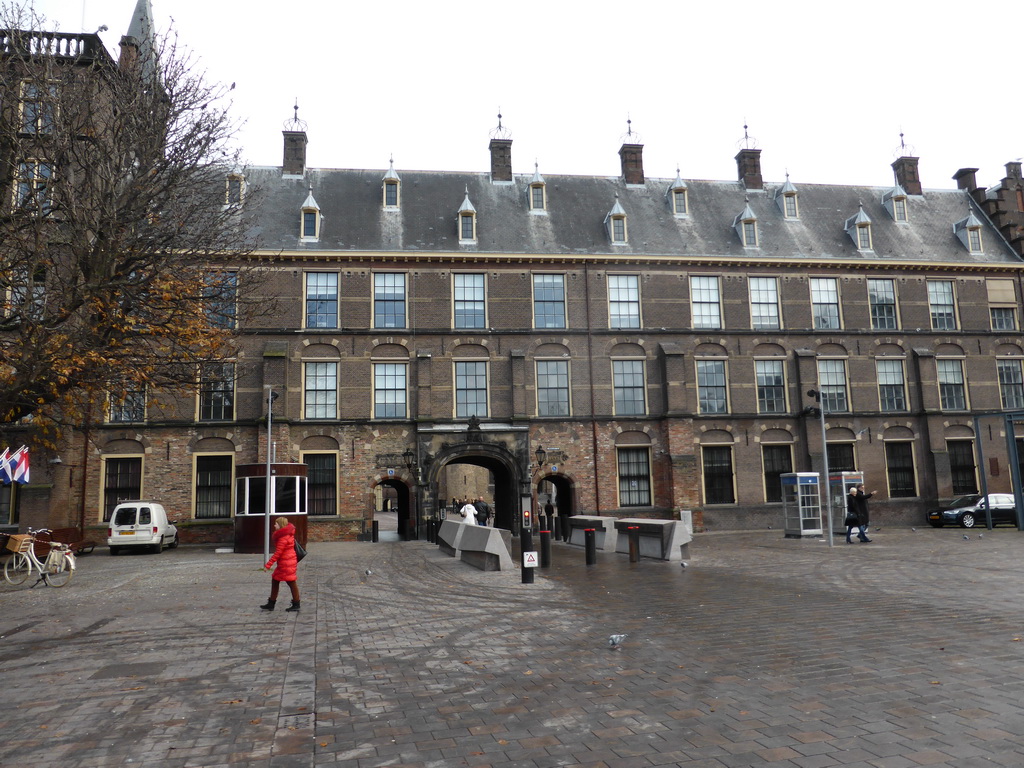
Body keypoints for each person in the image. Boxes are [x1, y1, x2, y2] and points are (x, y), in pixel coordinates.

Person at [261, 516, 301, 611]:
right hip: (287, 561)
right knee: (276, 580)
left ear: (280, 525)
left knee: (291, 582)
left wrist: (268, 565)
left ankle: (296, 603)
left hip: (286, 563)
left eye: (276, 524)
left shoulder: (283, 538)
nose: (274, 525)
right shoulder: (287, 535)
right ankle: (272, 602)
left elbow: (278, 553)